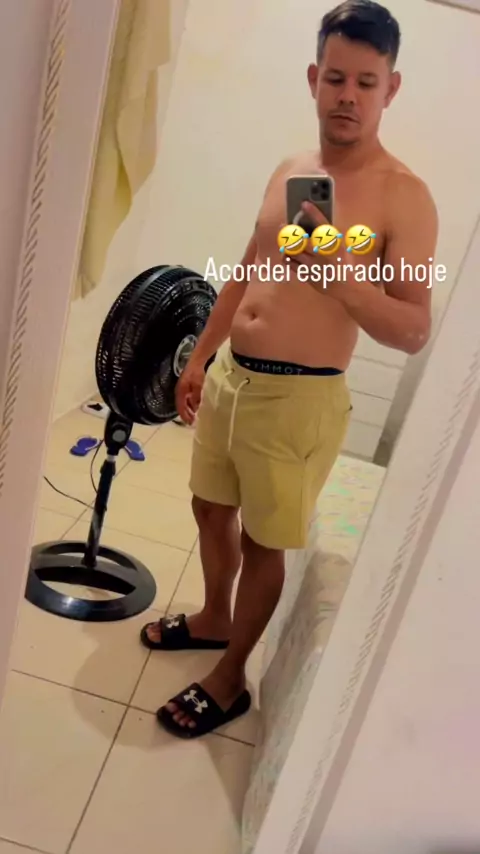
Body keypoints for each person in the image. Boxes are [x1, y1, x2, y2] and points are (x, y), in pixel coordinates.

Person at [140, 0, 438, 739]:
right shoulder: (292, 170)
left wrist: (342, 276)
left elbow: (412, 328)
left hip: (300, 398)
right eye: (336, 78)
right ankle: (214, 616)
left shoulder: (403, 195)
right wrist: (202, 355)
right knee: (209, 508)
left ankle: (231, 675)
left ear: (391, 88)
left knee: (264, 542)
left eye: (366, 82)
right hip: (233, 379)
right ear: (313, 78)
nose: (348, 96)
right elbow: (248, 269)